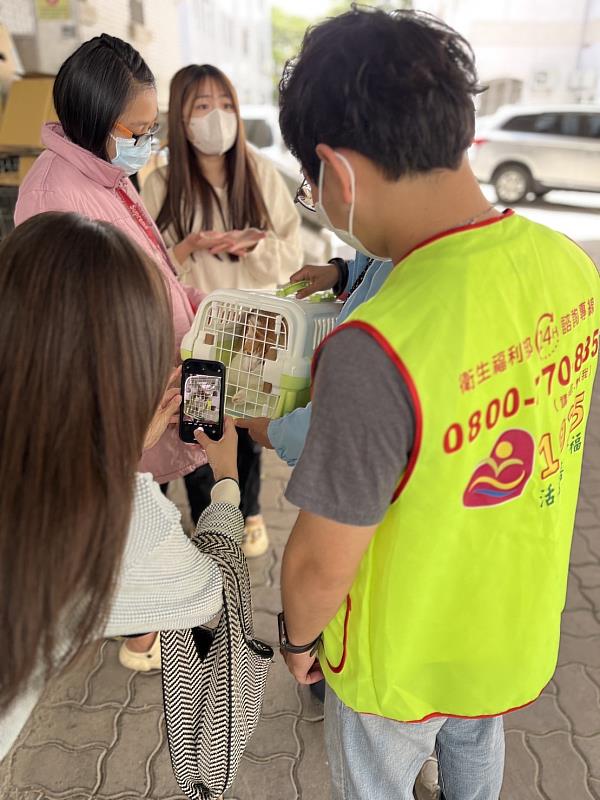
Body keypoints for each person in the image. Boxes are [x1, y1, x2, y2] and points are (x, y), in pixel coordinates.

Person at [271, 8, 600, 800]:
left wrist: (296, 638)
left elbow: (318, 565)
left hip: (403, 651)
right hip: (506, 624)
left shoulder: (380, 343)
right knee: (477, 739)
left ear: (335, 171)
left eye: (312, 187)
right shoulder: (567, 267)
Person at [0, 213, 242, 762]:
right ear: (124, 372)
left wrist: (123, 436)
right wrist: (225, 475)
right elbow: (213, 588)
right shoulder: (118, 520)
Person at [14, 34, 207, 673]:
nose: (149, 143)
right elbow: (74, 336)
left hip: (156, 375)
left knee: (149, 498)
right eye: (141, 129)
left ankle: (142, 619)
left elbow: (147, 265)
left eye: (155, 129)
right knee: (130, 503)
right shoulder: (56, 198)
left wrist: (195, 305)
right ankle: (135, 618)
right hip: (125, 398)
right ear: (98, 122)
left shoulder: (107, 173)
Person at [142, 64, 303, 558]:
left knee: (250, 431)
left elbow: (291, 253)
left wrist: (252, 247)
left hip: (254, 338)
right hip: (194, 338)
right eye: (202, 106)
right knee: (199, 430)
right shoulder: (161, 184)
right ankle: (210, 524)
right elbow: (150, 270)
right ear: (182, 118)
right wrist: (188, 247)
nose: (218, 117)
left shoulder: (258, 173)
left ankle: (248, 510)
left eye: (226, 104)